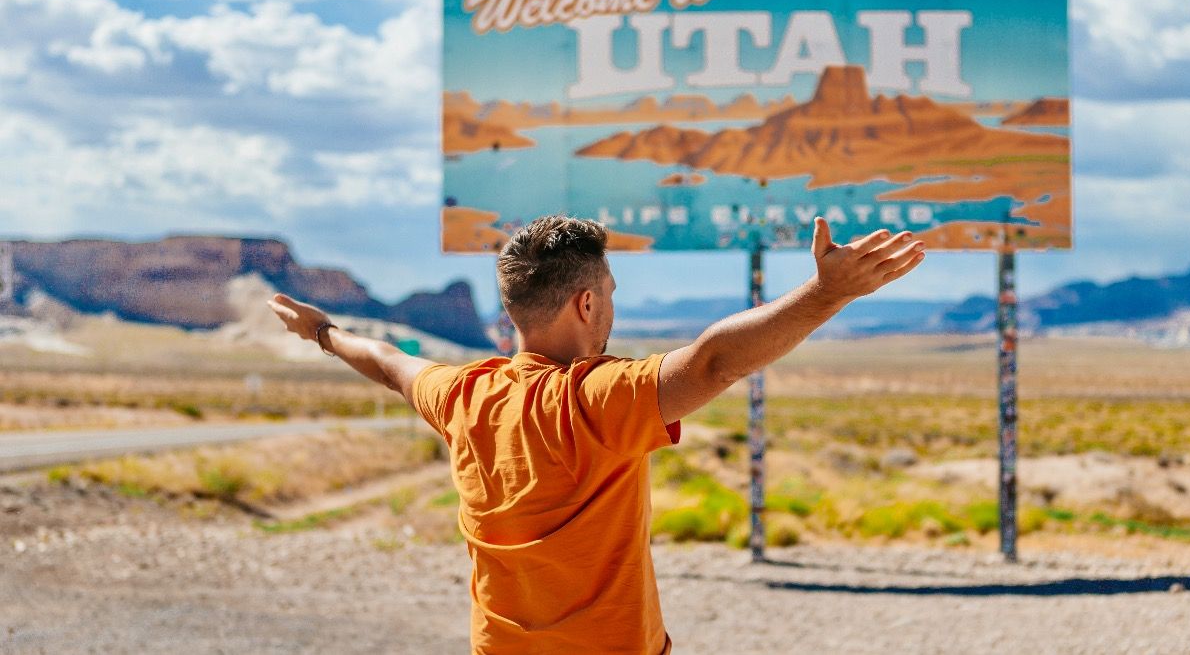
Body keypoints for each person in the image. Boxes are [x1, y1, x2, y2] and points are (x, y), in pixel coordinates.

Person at [266, 215, 925, 654]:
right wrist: (824, 294)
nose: (610, 303)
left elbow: (385, 360)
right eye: (607, 290)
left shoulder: (462, 395)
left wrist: (322, 332)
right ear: (586, 303)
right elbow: (715, 360)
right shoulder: (596, 398)